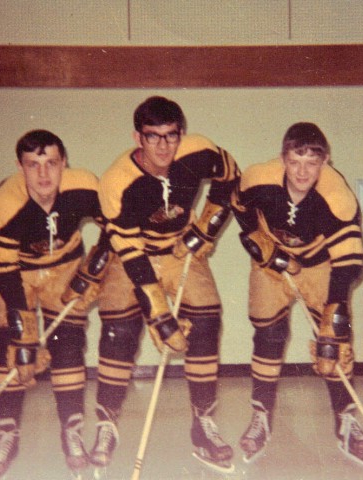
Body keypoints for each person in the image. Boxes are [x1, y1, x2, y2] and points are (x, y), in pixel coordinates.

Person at [88, 96, 240, 474]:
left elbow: (231, 176)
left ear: (181, 134)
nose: (163, 147)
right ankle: (107, 424)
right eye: (153, 137)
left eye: (171, 136)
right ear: (137, 137)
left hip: (178, 249)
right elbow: (129, 251)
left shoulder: (200, 152)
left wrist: (208, 227)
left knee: (206, 320)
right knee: (120, 331)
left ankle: (203, 423)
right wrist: (158, 312)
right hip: (133, 255)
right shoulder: (116, 182)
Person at [232, 122, 363, 467]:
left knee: (335, 342)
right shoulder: (259, 178)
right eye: (295, 161)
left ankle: (346, 418)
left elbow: (350, 262)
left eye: (312, 163)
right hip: (273, 264)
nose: (302, 171)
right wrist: (258, 239)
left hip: (319, 264)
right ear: (283, 158)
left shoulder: (337, 197)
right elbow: (237, 203)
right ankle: (260, 415)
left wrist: (333, 315)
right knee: (268, 334)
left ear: (325, 162)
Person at [0, 129, 111, 479]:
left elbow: (116, 224)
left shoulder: (83, 186)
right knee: (10, 347)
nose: (43, 175)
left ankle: (71, 429)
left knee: (68, 343)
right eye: (33, 164)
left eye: (51, 163)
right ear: (19, 166)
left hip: (64, 266)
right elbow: (0, 269)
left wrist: (97, 264)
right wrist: (23, 330)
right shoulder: (4, 203)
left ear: (64, 163)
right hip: (16, 273)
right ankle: (8, 432)